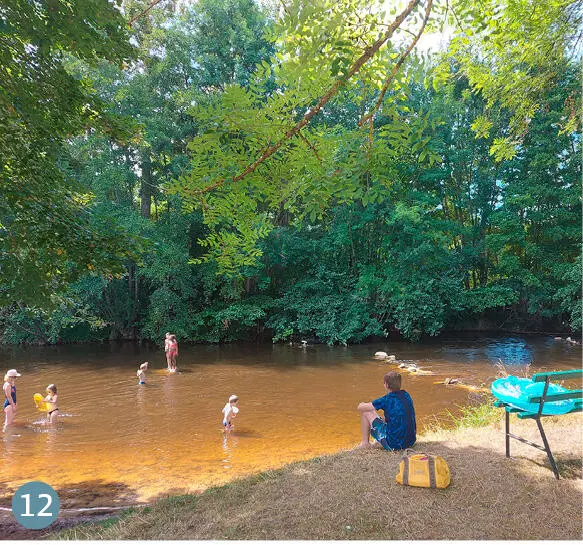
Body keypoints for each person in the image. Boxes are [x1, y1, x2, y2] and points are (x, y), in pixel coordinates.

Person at [356, 371, 416, 450]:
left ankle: (365, 443)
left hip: (394, 445)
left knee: (366, 412)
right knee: (385, 417)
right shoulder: (406, 395)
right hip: (410, 442)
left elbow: (360, 408)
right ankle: (376, 441)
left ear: (386, 385)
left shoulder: (387, 399)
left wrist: (362, 403)